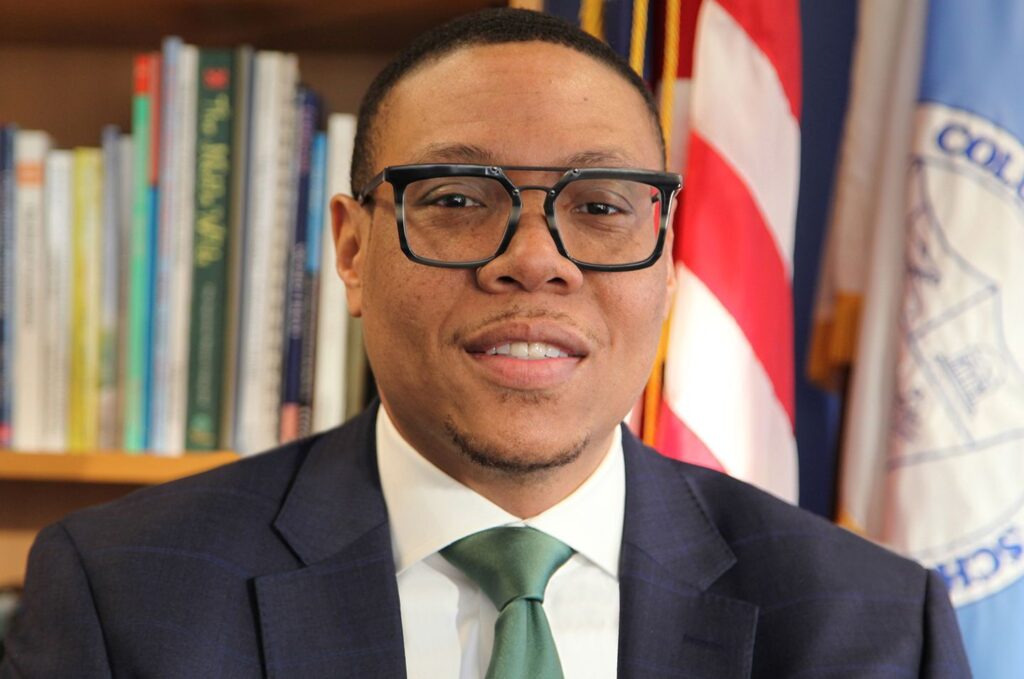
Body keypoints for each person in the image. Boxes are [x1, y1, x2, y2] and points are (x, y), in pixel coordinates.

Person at [1, 8, 970, 678]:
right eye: (460, 200)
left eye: (600, 207)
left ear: (669, 257)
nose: (536, 260)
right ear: (351, 248)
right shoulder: (125, 597)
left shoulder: (874, 628)